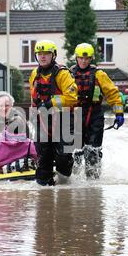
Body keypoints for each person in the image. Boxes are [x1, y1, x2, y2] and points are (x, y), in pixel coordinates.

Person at [70, 43, 124, 178]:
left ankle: (93, 182)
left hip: (94, 115)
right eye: (81, 58)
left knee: (93, 151)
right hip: (74, 116)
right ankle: (71, 180)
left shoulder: (99, 75)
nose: (83, 61)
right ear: (76, 58)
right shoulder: (68, 75)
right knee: (73, 152)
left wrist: (119, 113)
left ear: (91, 58)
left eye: (87, 58)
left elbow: (113, 94)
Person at [29, 40, 78, 186]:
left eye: (46, 54)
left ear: (53, 55)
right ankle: (44, 191)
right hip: (42, 119)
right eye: (40, 54)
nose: (42, 57)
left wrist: (51, 102)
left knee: (63, 156)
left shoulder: (62, 74)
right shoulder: (34, 74)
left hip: (62, 119)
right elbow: (33, 97)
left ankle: (65, 182)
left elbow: (71, 97)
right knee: (43, 157)